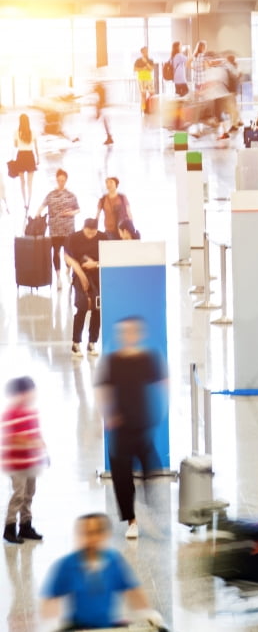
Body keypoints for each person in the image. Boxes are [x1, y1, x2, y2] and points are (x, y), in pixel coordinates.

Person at [95, 317, 166, 540]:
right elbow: (102, 388)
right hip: (120, 429)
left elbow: (162, 382)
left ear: (138, 334)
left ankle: (152, 513)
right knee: (122, 477)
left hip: (142, 426)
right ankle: (131, 520)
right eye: (124, 332)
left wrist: (161, 409)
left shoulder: (147, 358)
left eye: (131, 332)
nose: (127, 336)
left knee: (151, 472)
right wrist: (108, 414)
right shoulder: (113, 361)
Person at [41, 514, 151, 630]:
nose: (92, 539)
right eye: (87, 533)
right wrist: (52, 621)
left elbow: (133, 591)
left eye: (97, 533)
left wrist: (147, 613)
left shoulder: (114, 561)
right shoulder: (68, 565)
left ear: (105, 535)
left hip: (108, 626)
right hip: (79, 628)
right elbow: (51, 597)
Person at [2, 376, 47, 545]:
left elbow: (36, 432)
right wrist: (33, 442)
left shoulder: (31, 412)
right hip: (16, 464)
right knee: (18, 495)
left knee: (29, 495)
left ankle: (26, 526)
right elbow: (15, 439)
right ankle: (9, 527)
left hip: (30, 462)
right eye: (29, 391)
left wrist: (42, 448)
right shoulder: (11, 413)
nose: (32, 395)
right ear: (20, 394)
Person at [36, 169, 80, 290]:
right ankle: (58, 277)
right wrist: (38, 213)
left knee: (68, 253)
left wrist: (71, 213)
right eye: (59, 180)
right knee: (55, 252)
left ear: (66, 180)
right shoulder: (51, 194)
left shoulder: (71, 195)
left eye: (63, 180)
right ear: (56, 180)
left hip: (68, 230)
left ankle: (68, 270)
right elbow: (42, 205)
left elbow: (78, 209)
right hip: (55, 230)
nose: (61, 182)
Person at [65, 218, 102, 357]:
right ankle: (76, 343)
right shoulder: (73, 237)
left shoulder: (103, 237)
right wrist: (81, 274)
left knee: (97, 310)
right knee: (82, 308)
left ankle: (92, 343)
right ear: (83, 228)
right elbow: (67, 257)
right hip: (80, 276)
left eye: (93, 232)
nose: (91, 235)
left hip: (98, 276)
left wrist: (96, 263)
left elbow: (110, 256)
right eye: (88, 232)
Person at [11, 113, 38, 211]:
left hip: (21, 156)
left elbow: (15, 146)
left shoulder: (16, 132)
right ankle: (29, 201)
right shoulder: (33, 132)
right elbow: (36, 147)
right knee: (30, 183)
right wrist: (38, 158)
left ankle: (24, 202)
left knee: (22, 182)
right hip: (30, 156)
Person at [133, 47, 154, 115]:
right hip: (141, 79)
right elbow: (135, 69)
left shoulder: (150, 60)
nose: (146, 53)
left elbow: (151, 69)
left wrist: (146, 63)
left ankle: (150, 108)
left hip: (149, 79)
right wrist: (142, 68)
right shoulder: (138, 60)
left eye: (147, 51)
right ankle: (143, 109)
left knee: (152, 94)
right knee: (143, 95)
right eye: (144, 52)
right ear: (142, 52)